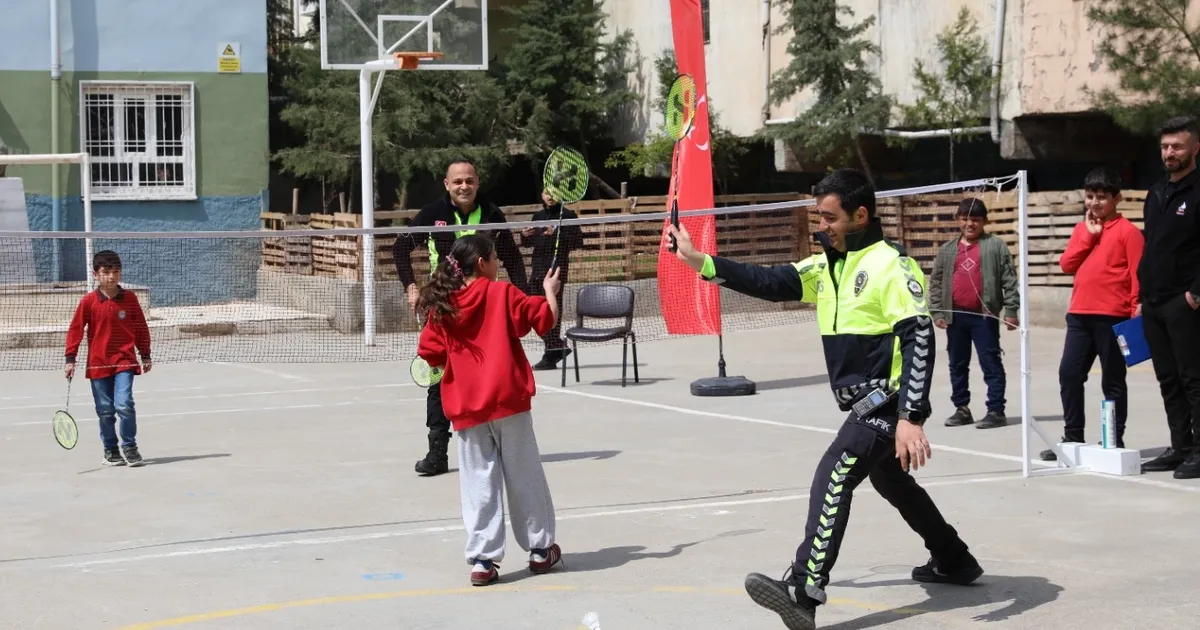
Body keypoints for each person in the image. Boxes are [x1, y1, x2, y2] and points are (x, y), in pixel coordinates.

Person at [669, 169, 980, 630]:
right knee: (891, 481)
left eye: (830, 217)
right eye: (820, 216)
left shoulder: (890, 266)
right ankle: (953, 559)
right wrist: (699, 261)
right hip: (866, 403)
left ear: (861, 215)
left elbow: (919, 339)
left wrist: (911, 416)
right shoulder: (828, 265)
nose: (823, 226)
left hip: (885, 401)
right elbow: (768, 280)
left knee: (835, 471)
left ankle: (803, 589)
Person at [415, 234, 564, 586]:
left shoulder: (442, 306)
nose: (498, 264)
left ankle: (483, 560)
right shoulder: (504, 294)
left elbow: (430, 354)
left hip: (466, 408)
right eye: (495, 258)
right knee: (525, 475)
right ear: (482, 262)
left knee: (478, 482)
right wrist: (550, 291)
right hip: (509, 402)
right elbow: (545, 321)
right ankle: (541, 550)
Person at [393, 159, 529, 477]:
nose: (464, 186)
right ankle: (437, 451)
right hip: (444, 309)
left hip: (484, 312)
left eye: (469, 181)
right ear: (447, 185)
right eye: (458, 182)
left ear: (477, 183)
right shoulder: (431, 215)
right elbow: (400, 249)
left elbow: (512, 258)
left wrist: (523, 297)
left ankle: (497, 445)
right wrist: (411, 287)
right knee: (438, 379)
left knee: (492, 374)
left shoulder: (493, 215)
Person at [1042, 167, 1143, 460]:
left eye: (1102, 197)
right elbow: (1066, 264)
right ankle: (1072, 436)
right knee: (1069, 373)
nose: (1095, 203)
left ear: (1117, 198)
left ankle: (1113, 439)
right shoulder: (1081, 229)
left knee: (1112, 379)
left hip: (1113, 316)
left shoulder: (1129, 233)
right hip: (1079, 315)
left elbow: (1138, 275)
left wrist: (1137, 308)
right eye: (1090, 196)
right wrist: (1089, 235)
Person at [1138, 115, 1200, 479]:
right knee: (1168, 379)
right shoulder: (1158, 192)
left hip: (1185, 301)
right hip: (1155, 301)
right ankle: (1180, 447)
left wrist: (1195, 294)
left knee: (1194, 378)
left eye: (1177, 146)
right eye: (1164, 147)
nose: (1169, 153)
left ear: (1195, 148)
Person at [928, 198, 1020, 430]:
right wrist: (938, 310)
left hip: (984, 316)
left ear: (984, 221)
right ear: (958, 220)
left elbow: (1009, 280)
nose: (970, 224)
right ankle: (962, 409)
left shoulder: (995, 246)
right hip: (955, 316)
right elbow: (937, 282)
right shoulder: (948, 250)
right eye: (965, 219)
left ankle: (996, 410)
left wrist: (1010, 310)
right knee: (957, 363)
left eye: (976, 220)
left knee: (990, 362)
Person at [64, 250, 152, 467]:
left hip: (125, 361)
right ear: (96, 274)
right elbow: (76, 329)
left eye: (115, 272)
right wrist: (70, 358)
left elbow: (140, 327)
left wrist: (145, 354)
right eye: (106, 272)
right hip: (98, 363)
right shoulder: (89, 301)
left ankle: (130, 447)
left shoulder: (130, 299)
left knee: (124, 404)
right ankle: (111, 450)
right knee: (105, 410)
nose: (111, 277)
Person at [521, 189, 586, 370]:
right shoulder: (538, 216)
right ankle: (557, 346)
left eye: (554, 193)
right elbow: (528, 243)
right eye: (546, 193)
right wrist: (524, 236)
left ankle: (550, 354)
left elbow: (579, 242)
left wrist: (558, 234)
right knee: (532, 312)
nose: (549, 197)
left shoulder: (567, 215)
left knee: (551, 312)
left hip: (556, 271)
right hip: (537, 270)